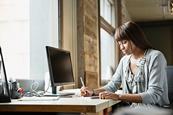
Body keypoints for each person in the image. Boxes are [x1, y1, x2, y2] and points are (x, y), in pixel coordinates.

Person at [80, 21, 170, 108]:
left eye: (124, 42)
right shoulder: (124, 60)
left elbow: (154, 95)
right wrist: (93, 92)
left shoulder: (156, 57)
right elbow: (112, 85)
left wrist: (119, 96)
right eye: (119, 44)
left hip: (156, 109)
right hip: (134, 110)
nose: (121, 47)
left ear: (136, 38)